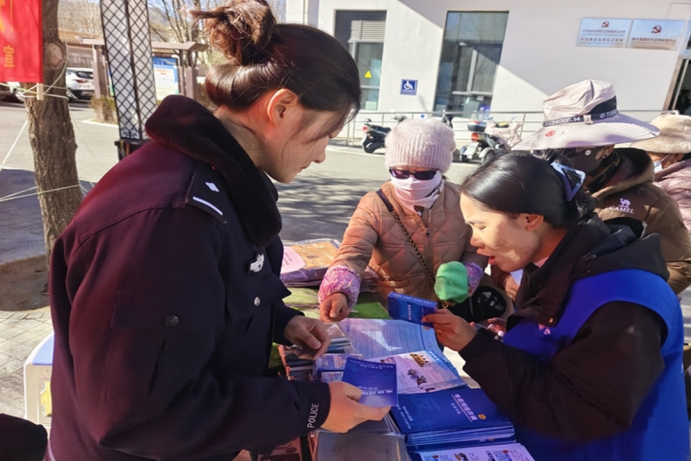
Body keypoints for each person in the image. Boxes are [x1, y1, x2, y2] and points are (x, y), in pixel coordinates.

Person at [47, 1, 388, 459]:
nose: (322, 154)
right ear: (282, 108)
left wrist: (282, 321)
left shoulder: (219, 181)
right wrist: (312, 407)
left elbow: (210, 301)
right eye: (325, 133)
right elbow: (141, 414)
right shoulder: (172, 219)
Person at [425, 154, 689, 461]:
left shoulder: (622, 301)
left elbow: (574, 411)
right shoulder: (556, 265)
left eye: (480, 226)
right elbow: (564, 349)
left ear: (530, 219)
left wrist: (478, 349)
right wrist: (511, 339)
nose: (475, 241)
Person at [493, 79, 691, 298]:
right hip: (534, 308)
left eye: (569, 149)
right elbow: (502, 237)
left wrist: (619, 300)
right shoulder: (536, 187)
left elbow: (679, 265)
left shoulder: (651, 203)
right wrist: (505, 276)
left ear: (606, 147)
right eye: (549, 148)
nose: (556, 157)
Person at [318, 118, 487, 322]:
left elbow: (476, 250)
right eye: (400, 172)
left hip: (442, 314)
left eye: (424, 174)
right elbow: (353, 253)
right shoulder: (375, 204)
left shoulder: (463, 201)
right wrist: (339, 290)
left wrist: (466, 277)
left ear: (441, 170)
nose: (411, 182)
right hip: (389, 312)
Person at [631, 113, 691, 231]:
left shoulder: (681, 186)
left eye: (650, 154)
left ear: (677, 156)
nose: (644, 159)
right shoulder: (663, 176)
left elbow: (687, 229)